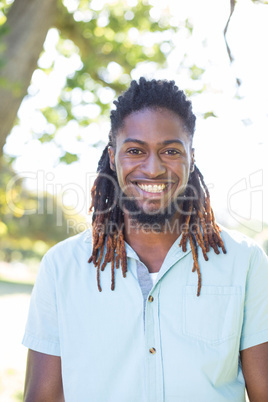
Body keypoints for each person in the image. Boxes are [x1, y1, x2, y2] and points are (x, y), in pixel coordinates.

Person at [23, 78, 268, 402]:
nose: (152, 169)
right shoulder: (61, 266)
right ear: (113, 157)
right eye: (135, 150)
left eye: (169, 150)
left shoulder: (245, 261)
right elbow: (43, 397)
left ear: (191, 158)